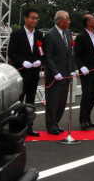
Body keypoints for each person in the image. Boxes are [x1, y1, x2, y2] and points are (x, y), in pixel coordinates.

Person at [8, 8, 44, 136]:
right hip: (21, 72)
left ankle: (29, 126)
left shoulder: (39, 35)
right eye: (32, 18)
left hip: (33, 72)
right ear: (25, 18)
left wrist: (40, 60)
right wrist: (22, 62)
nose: (35, 20)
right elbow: (11, 53)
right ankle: (15, 126)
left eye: (36, 18)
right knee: (18, 100)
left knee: (30, 101)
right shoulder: (17, 34)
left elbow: (42, 52)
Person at [44, 11, 76, 135]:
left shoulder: (68, 33)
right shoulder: (50, 35)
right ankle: (50, 124)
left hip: (66, 73)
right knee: (53, 101)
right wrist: (55, 72)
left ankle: (56, 122)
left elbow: (71, 54)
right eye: (68, 19)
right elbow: (48, 57)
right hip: (55, 76)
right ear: (60, 21)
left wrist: (72, 69)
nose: (69, 21)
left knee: (62, 101)